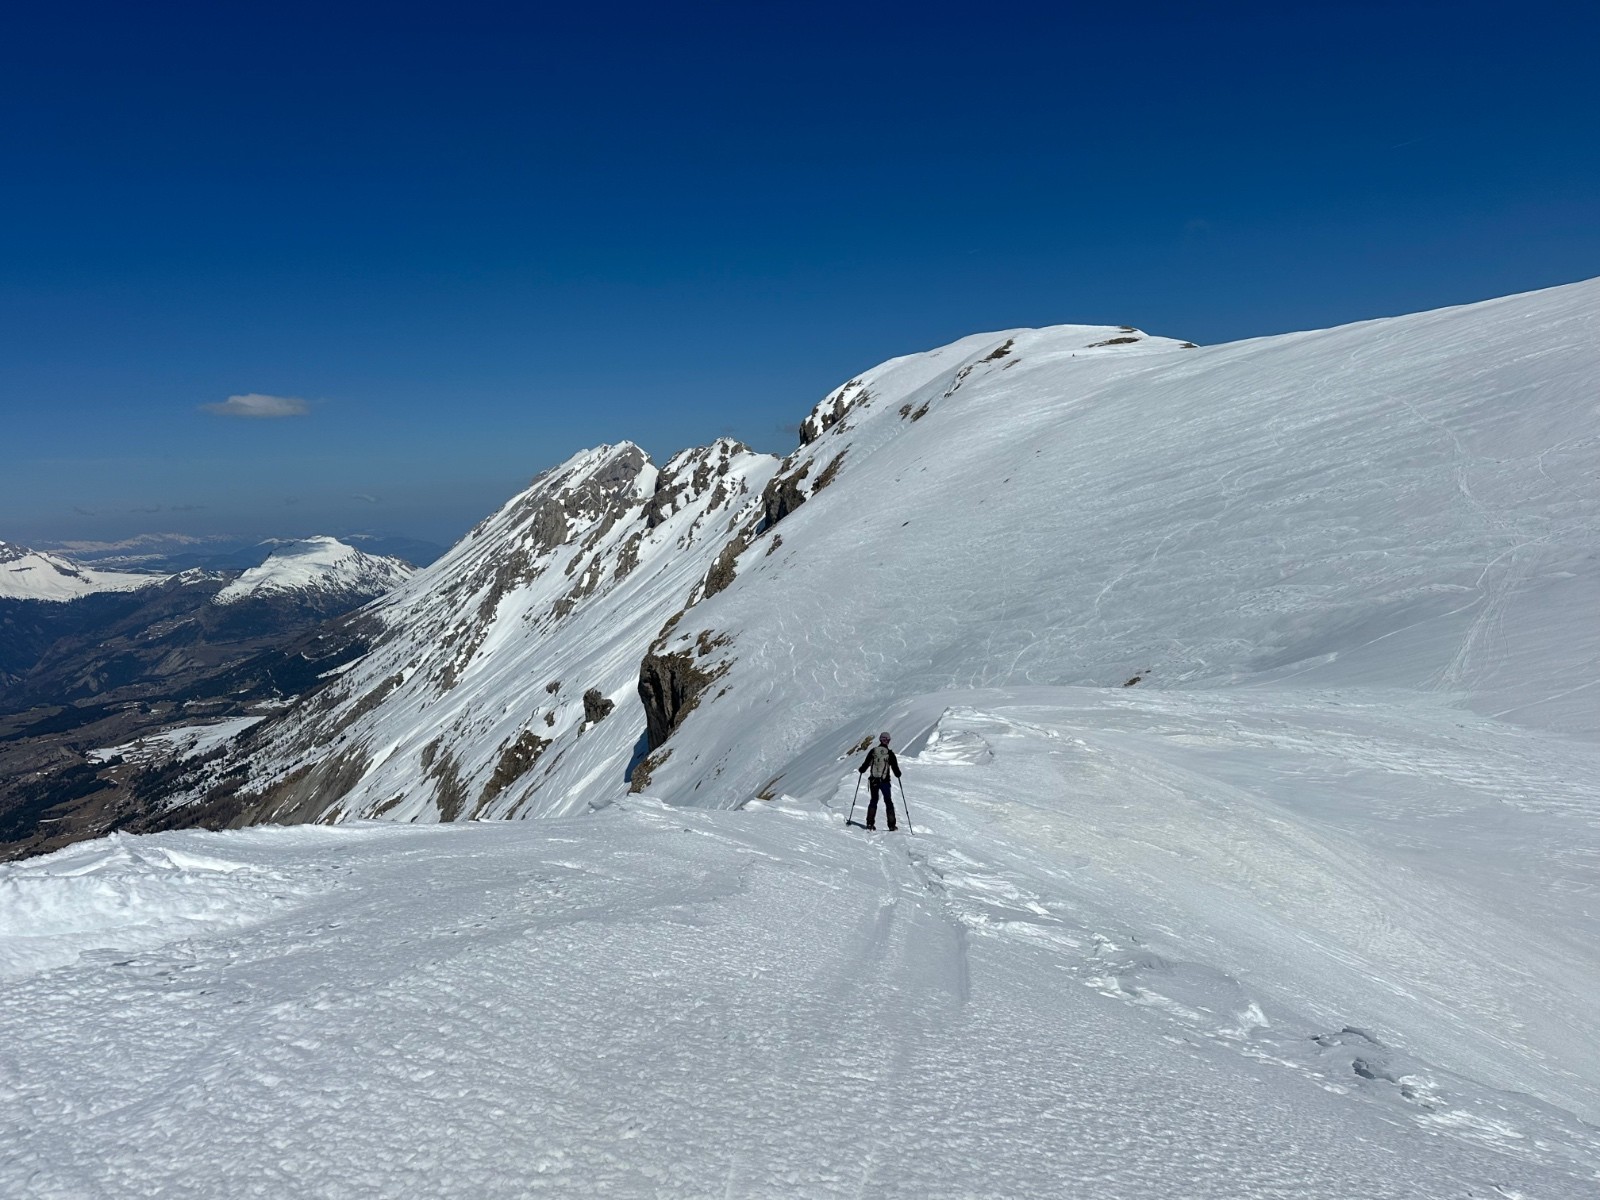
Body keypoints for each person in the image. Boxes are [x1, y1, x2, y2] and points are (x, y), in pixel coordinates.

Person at [857, 732, 902, 831]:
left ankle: (870, 824)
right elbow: (895, 769)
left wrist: (861, 770)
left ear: (880, 740)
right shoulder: (889, 753)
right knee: (888, 801)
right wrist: (898, 774)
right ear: (888, 741)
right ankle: (891, 825)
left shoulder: (873, 751)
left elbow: (865, 765)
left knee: (873, 800)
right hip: (885, 781)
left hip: (873, 780)